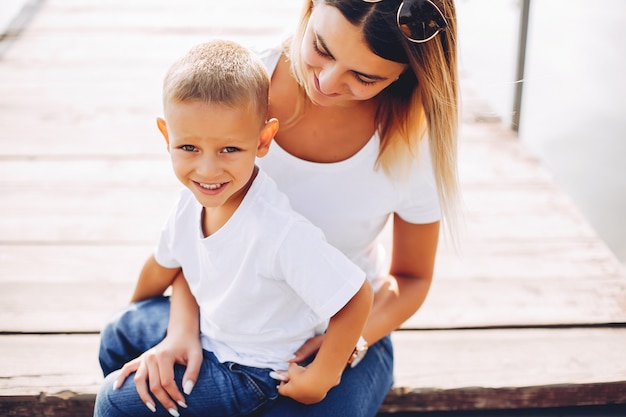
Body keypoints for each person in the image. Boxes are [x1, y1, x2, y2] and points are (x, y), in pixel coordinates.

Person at [98, 0, 460, 415]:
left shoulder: (414, 145)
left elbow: (411, 277)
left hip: (339, 331)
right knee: (120, 339)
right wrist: (182, 330)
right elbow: (197, 236)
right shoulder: (236, 90)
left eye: (363, 76)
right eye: (321, 48)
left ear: (406, 73)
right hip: (225, 316)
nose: (326, 81)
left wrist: (343, 348)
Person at [94, 39, 374, 417]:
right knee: (119, 331)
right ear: (167, 137)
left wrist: (322, 375)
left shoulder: (278, 231)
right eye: (189, 148)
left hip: (251, 369)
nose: (207, 171)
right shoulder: (188, 202)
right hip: (213, 328)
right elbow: (162, 267)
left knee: (114, 400)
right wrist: (164, 329)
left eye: (229, 150)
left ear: (262, 140)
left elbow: (356, 296)